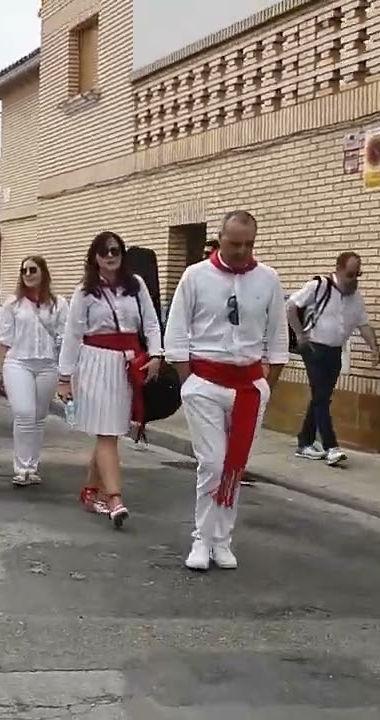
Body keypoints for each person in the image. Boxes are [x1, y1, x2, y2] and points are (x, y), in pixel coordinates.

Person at [163, 210, 289, 571]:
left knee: (235, 466)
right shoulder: (195, 276)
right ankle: (202, 540)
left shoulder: (268, 280)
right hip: (204, 381)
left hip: (248, 386)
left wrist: (269, 383)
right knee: (213, 463)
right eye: (235, 244)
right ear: (219, 238)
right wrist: (188, 378)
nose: (242, 251)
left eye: (249, 244)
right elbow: (177, 329)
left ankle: (223, 540)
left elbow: (278, 334)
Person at [57, 233, 163, 527]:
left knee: (111, 431)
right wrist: (64, 378)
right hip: (95, 362)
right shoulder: (85, 291)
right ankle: (114, 497)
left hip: (126, 364)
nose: (110, 256)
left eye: (115, 250)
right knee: (106, 432)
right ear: (95, 257)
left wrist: (156, 354)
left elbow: (152, 322)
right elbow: (72, 335)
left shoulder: (136, 285)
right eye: (104, 252)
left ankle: (91, 491)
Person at [287, 251, 379, 467]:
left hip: (335, 351)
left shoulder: (355, 298)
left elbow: (363, 324)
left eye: (358, 275)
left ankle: (304, 442)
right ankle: (331, 446)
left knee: (321, 397)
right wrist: (300, 334)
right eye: (350, 274)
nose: (354, 280)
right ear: (338, 269)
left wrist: (374, 347)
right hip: (314, 348)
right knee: (321, 397)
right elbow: (291, 306)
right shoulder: (319, 286)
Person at [0, 255, 67, 487]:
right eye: (23, 271)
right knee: (24, 412)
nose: (27, 274)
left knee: (38, 417)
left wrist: (68, 370)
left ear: (43, 272)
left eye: (32, 270)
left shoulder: (59, 304)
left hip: (48, 364)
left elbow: (66, 337)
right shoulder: (12, 304)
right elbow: (2, 340)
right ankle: (21, 467)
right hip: (18, 362)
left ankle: (32, 466)